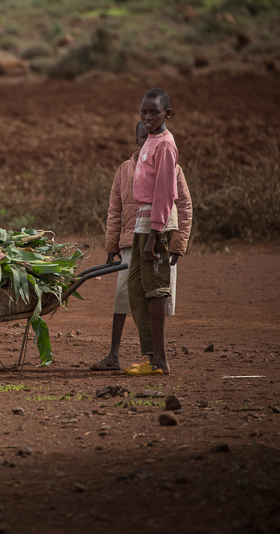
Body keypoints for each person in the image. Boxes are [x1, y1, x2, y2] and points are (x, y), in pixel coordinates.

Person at [90, 120, 192, 371]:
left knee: (156, 294)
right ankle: (114, 354)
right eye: (142, 137)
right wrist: (112, 245)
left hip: (157, 237)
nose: (147, 140)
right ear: (137, 140)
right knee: (125, 295)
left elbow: (183, 206)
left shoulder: (171, 166)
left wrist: (178, 243)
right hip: (130, 239)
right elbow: (115, 209)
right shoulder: (125, 169)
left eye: (150, 136)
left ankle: (156, 357)